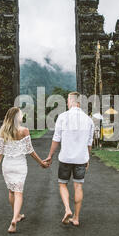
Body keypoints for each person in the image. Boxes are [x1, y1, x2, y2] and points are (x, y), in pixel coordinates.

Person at [0, 107, 49, 233]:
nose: (22, 116)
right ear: (17, 117)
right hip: (20, 165)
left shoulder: (3, 131)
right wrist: (41, 163)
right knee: (19, 193)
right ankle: (14, 219)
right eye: (21, 114)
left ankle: (16, 215)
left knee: (11, 191)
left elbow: (0, 152)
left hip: (7, 165)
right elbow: (30, 151)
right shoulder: (24, 131)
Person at [44, 92, 94, 227]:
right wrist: (87, 158)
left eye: (67, 101)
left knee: (62, 184)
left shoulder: (63, 117)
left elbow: (56, 139)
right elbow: (89, 143)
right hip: (81, 159)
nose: (66, 103)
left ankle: (67, 209)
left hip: (65, 158)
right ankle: (76, 218)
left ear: (71, 101)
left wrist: (50, 155)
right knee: (78, 186)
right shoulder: (88, 120)